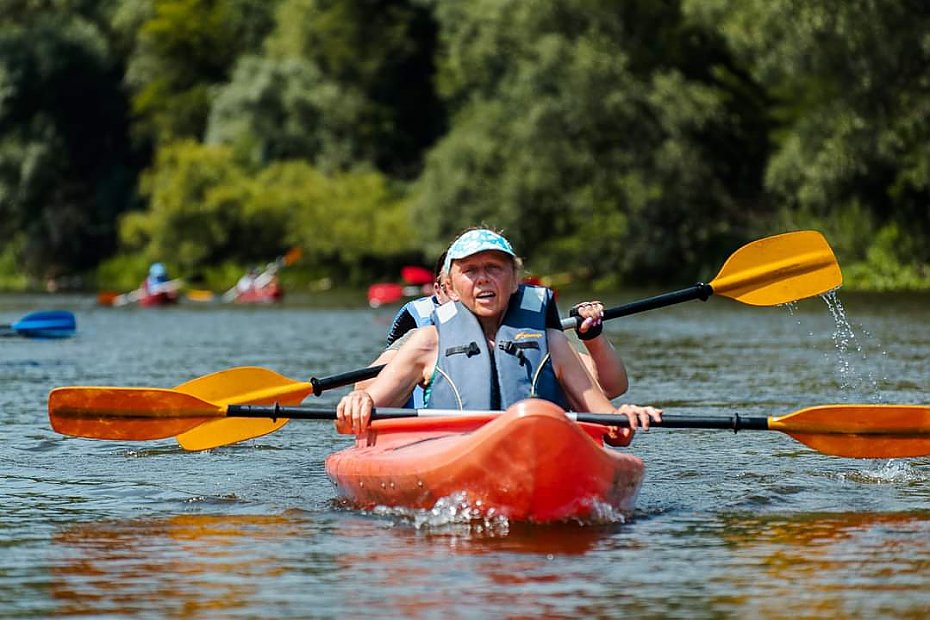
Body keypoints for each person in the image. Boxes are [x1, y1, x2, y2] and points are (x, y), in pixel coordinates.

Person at [339, 228, 662, 446]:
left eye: (495, 268)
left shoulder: (551, 341)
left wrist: (625, 418)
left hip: (535, 452)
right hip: (451, 452)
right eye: (470, 271)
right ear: (448, 286)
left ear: (515, 281)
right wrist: (359, 403)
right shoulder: (426, 342)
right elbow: (350, 425)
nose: (483, 279)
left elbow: (612, 429)